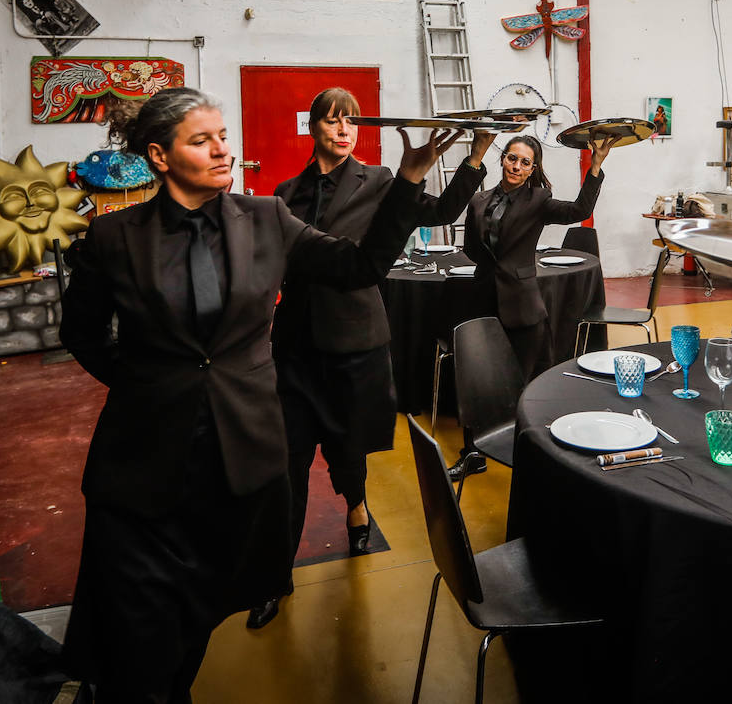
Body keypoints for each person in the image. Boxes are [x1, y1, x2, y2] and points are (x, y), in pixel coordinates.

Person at [58, 87, 456, 702]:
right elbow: (80, 334)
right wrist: (149, 386)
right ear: (160, 157)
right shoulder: (113, 239)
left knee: (200, 608)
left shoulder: (267, 219)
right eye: (202, 140)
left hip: (239, 455)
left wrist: (407, 180)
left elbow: (358, 268)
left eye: (222, 136)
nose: (222, 149)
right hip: (142, 463)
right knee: (138, 630)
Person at [246, 89, 494, 629]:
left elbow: (446, 210)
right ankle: (273, 578)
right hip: (294, 346)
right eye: (333, 120)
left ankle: (356, 507)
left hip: (354, 337)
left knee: (346, 443)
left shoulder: (381, 180)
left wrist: (475, 157)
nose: (344, 130)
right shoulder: (286, 192)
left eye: (351, 121)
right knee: (284, 465)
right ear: (311, 127)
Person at [449, 133, 613, 478]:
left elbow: (580, 210)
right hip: (481, 299)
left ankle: (525, 452)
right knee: (476, 382)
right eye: (512, 158)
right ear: (503, 159)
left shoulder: (539, 200)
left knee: (522, 384)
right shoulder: (479, 199)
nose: (517, 166)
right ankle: (472, 454)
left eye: (525, 162)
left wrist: (595, 165)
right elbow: (470, 248)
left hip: (521, 305)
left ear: (532, 168)